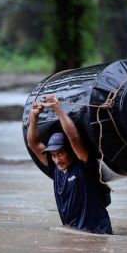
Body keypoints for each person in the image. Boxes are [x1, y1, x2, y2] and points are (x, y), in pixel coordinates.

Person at [27, 94, 113, 235]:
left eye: (60, 153)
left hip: (98, 234)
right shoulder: (55, 169)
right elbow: (33, 143)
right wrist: (34, 116)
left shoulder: (84, 165)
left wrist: (57, 109)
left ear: (71, 152)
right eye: (53, 155)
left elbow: (73, 137)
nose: (57, 159)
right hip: (75, 234)